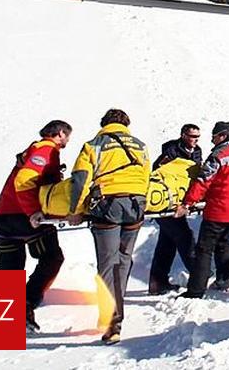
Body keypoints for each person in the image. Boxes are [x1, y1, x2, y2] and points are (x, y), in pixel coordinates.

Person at [66, 108, 150, 345]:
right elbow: (146, 176)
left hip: (107, 207)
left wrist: (75, 211)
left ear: (104, 123)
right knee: (123, 260)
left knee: (108, 262)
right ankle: (115, 312)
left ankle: (112, 321)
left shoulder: (94, 144)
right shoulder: (140, 145)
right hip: (136, 206)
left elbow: (81, 179)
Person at [0, 120, 72, 334]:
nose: (67, 141)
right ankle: (25, 305)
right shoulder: (46, 149)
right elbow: (25, 180)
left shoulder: (33, 149)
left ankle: (0, 318)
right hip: (25, 217)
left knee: (10, 264)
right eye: (67, 137)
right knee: (52, 257)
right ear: (60, 133)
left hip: (4, 216)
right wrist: (33, 212)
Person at [177, 121, 229, 298]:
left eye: (214, 137)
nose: (212, 141)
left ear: (223, 135)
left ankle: (195, 290)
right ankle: (225, 279)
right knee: (223, 243)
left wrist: (187, 203)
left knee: (204, 249)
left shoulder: (219, 156)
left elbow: (203, 181)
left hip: (218, 210)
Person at [148, 123, 203, 294]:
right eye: (192, 136)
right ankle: (199, 277)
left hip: (180, 202)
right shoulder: (170, 151)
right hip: (167, 203)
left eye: (197, 137)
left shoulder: (197, 152)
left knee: (167, 241)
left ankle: (158, 282)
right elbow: (158, 174)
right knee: (184, 237)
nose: (195, 140)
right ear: (183, 135)